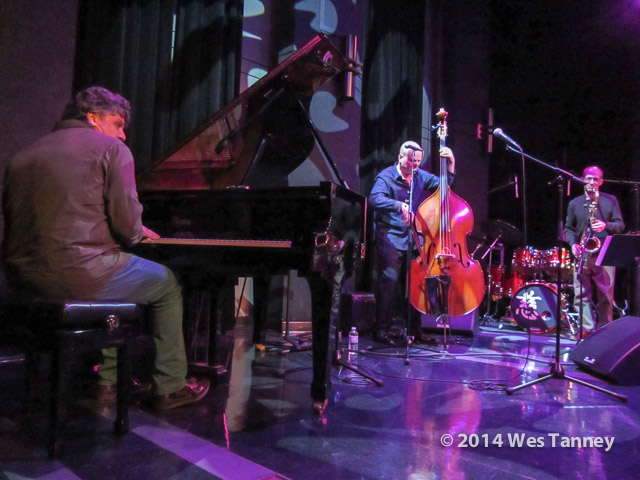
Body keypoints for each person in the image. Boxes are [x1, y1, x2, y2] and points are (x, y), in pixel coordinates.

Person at [3, 86, 208, 410]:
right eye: (118, 124)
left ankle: (107, 384)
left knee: (118, 277)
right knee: (166, 283)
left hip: (21, 279)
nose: (123, 135)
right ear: (93, 117)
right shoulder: (112, 150)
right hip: (77, 273)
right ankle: (170, 387)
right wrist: (136, 229)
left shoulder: (23, 155)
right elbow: (128, 228)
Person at [369, 140, 455, 344]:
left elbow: (444, 188)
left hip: (412, 238)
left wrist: (451, 163)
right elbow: (374, 199)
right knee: (390, 281)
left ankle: (415, 331)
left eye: (417, 162)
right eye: (411, 161)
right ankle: (381, 330)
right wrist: (398, 205)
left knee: (417, 283)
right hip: (389, 235)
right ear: (400, 158)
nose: (415, 165)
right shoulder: (386, 176)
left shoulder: (419, 175)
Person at [564, 165, 625, 335]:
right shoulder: (574, 203)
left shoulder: (610, 200)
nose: (592, 182)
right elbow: (568, 228)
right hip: (582, 252)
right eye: (589, 179)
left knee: (605, 295)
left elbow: (620, 225)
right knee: (581, 294)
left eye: (595, 179)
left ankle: (605, 329)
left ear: (601, 181)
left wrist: (606, 225)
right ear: (583, 180)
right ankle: (586, 329)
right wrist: (573, 244)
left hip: (604, 252)